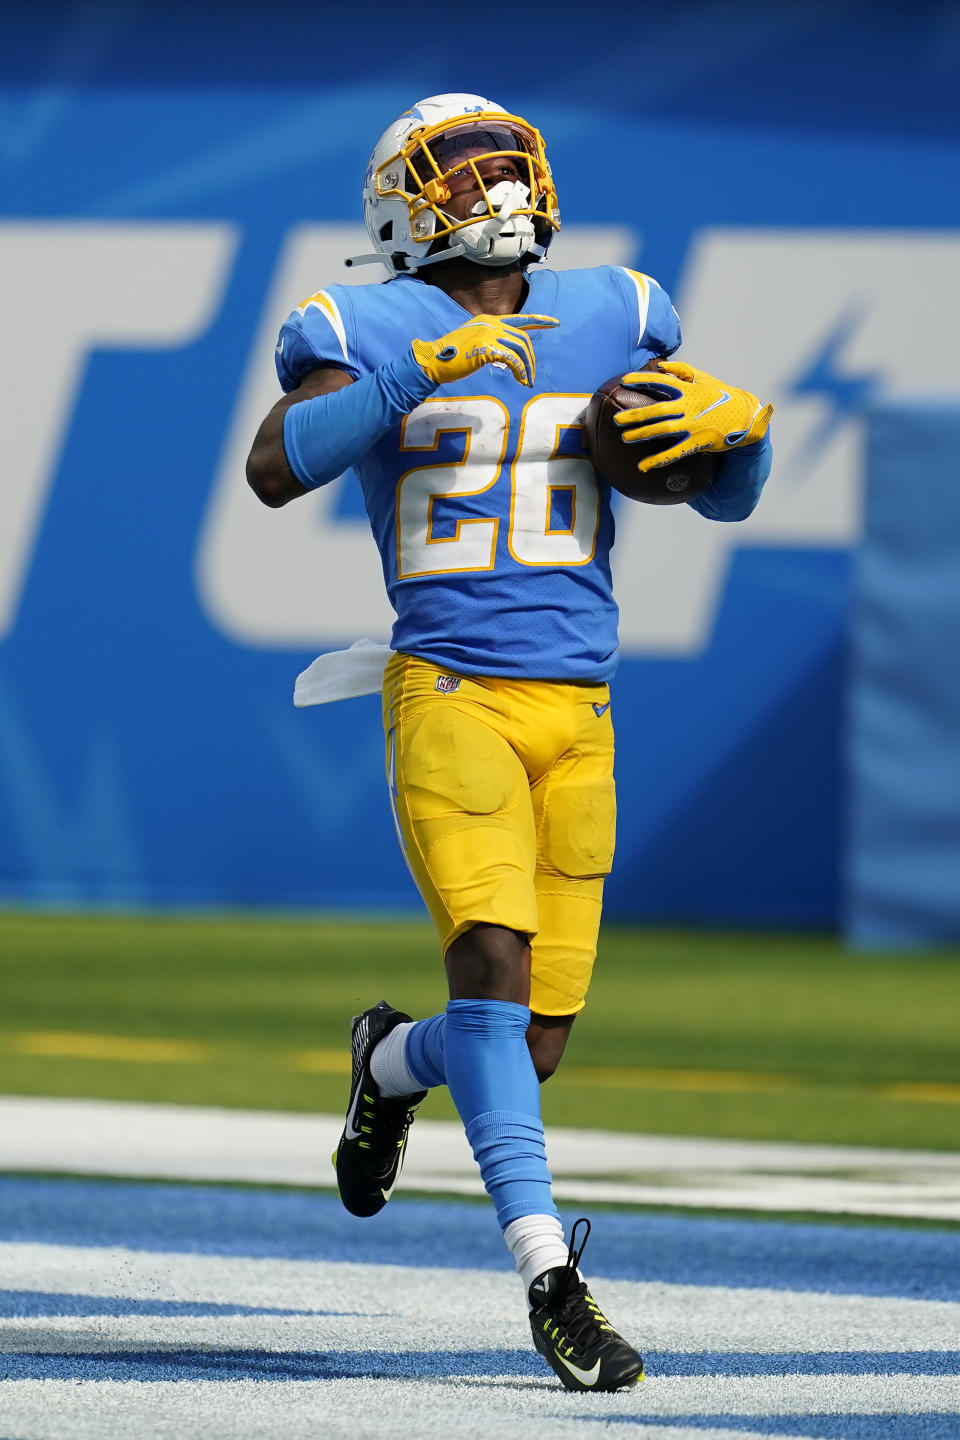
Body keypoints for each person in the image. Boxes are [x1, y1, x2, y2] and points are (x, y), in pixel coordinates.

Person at [246, 92, 773, 1392]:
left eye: (501, 161)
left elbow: (718, 493)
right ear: (399, 202)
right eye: (459, 167)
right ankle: (554, 1280)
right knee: (489, 966)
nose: (487, 186)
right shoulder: (364, 322)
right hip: (451, 693)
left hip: (577, 708)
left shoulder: (621, 308)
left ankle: (387, 1061)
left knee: (529, 1041)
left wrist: (743, 443)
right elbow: (274, 465)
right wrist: (412, 375)